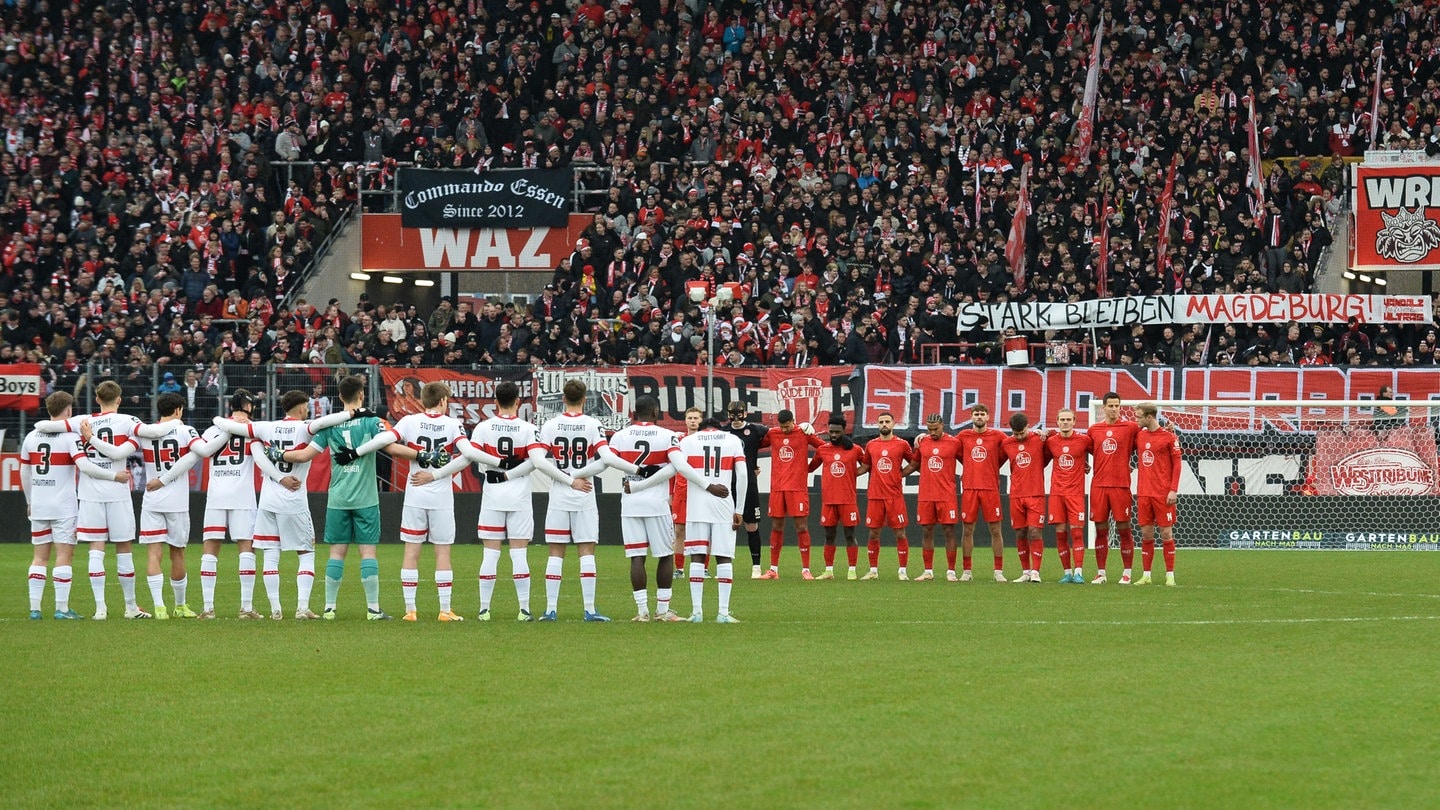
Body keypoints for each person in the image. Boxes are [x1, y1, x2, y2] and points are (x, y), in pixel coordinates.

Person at [274, 374, 403, 620]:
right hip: (366, 498)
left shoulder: (329, 426)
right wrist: (419, 456)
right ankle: (373, 609)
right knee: (368, 552)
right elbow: (391, 444)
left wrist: (278, 454)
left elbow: (303, 456)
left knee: (336, 552)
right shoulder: (371, 421)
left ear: (340, 397)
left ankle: (330, 608)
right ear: (362, 395)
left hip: (338, 498)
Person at [214, 390, 352, 618]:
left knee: (270, 553)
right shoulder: (306, 427)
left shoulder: (266, 427)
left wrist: (219, 419)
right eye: (306, 406)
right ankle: (301, 608)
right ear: (300, 408)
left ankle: (276, 609)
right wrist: (352, 413)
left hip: (268, 500)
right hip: (294, 499)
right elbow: (329, 420)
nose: (307, 410)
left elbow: (230, 427)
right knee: (306, 552)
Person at [147, 390, 263, 619]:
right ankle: (246, 608)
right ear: (249, 407)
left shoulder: (212, 430)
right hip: (242, 496)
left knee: (210, 548)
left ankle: (208, 608)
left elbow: (193, 457)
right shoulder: (253, 429)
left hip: (216, 495)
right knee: (246, 548)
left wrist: (163, 479)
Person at [34, 380, 145, 619]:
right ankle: (130, 607)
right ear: (119, 399)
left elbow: (43, 424)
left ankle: (100, 609)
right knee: (123, 548)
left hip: (90, 493)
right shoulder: (129, 421)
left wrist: (87, 435)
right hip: (117, 493)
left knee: (97, 549)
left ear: (96, 399)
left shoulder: (82, 421)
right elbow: (127, 447)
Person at [469, 380, 578, 621]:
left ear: (495, 402)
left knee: (490, 554)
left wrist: (496, 465)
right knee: (519, 553)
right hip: (519, 497)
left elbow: (471, 452)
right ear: (518, 401)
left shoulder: (483, 427)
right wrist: (511, 470)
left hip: (492, 495)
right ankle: (524, 609)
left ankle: (484, 609)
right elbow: (536, 461)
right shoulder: (527, 429)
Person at [535, 379, 639, 621]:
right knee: (587, 551)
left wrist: (568, 478)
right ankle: (590, 609)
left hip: (559, 494)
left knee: (555, 552)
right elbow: (607, 458)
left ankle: (550, 609)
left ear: (563, 399)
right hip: (584, 494)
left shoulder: (551, 424)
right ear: (584, 400)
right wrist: (583, 474)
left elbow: (539, 461)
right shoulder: (593, 424)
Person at [631, 416, 746, 622]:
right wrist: (740, 509)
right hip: (723, 503)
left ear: (701, 428)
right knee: (723, 556)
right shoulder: (732, 440)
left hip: (696, 506)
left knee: (697, 556)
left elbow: (673, 469)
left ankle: (697, 612)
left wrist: (639, 485)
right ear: (718, 428)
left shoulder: (687, 441)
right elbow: (743, 474)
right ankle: (723, 612)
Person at [107, 393, 207, 619]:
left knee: (154, 553)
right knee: (178, 553)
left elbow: (119, 452)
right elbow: (202, 451)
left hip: (152, 498)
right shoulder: (185, 431)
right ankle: (180, 606)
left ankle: (159, 607)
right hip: (177, 502)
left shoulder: (144, 434)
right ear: (179, 410)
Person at [609, 396, 686, 621]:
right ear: (655, 412)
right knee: (665, 555)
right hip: (656, 503)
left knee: (636, 556)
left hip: (631, 501)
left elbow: (609, 460)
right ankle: (662, 610)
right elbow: (676, 465)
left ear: (634, 412)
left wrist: (636, 471)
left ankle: (641, 611)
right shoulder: (666, 435)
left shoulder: (621, 436)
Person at [21, 392, 86, 619]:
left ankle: (35, 609)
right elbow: (84, 466)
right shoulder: (70, 437)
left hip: (39, 504)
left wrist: (30, 501)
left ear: (49, 409)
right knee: (64, 555)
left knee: (39, 556)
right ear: (68, 410)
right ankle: (62, 608)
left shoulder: (31, 436)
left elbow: (25, 472)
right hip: (64, 506)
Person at [759, 409, 821, 579]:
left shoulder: (803, 432)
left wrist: (810, 468)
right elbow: (754, 444)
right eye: (782, 426)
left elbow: (823, 449)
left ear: (793, 420)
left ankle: (806, 569)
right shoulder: (773, 433)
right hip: (777, 488)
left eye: (787, 426)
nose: (784, 430)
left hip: (797, 488)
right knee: (776, 527)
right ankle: (773, 570)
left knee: (801, 527)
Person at [902, 414, 961, 581]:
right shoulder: (923, 442)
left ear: (943, 425)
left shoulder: (954, 443)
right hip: (926, 495)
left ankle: (951, 571)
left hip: (946, 495)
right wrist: (897, 475)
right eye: (929, 429)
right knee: (927, 531)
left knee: (949, 531)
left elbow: (968, 461)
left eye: (935, 429)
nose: (932, 432)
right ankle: (928, 571)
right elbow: (914, 464)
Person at [809, 415, 869, 580]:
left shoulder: (855, 449)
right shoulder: (823, 450)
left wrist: (854, 474)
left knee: (850, 535)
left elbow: (867, 463)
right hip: (828, 501)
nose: (833, 435)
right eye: (831, 431)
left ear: (844, 431)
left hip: (848, 500)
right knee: (829, 536)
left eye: (837, 432)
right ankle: (829, 570)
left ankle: (852, 570)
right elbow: (810, 468)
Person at [1090, 392, 1141, 584]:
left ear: (1120, 407)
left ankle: (1127, 572)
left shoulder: (1130, 428)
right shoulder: (1094, 430)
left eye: (1116, 406)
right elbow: (1083, 449)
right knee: (1100, 529)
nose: (1113, 409)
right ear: (1103, 408)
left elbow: (1146, 440)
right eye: (1110, 406)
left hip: (1120, 486)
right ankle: (1101, 573)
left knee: (1124, 529)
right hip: (1099, 486)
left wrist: (1168, 429)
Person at [956, 403, 1008, 581]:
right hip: (970, 488)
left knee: (995, 529)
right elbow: (948, 446)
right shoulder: (963, 436)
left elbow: (1014, 445)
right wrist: (923, 436)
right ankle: (967, 571)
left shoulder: (998, 435)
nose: (979, 417)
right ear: (971, 417)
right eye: (976, 414)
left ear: (988, 417)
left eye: (982, 414)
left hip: (990, 488)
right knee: (968, 529)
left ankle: (998, 571)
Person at [1133, 403, 1181, 586]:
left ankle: (1170, 575)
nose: (1136, 420)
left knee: (1166, 534)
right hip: (1144, 493)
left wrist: (1173, 489)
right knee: (1146, 534)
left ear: (1149, 417)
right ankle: (1146, 575)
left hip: (1163, 493)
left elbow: (1177, 464)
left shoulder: (1169, 437)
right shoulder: (1139, 435)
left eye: (1139, 417)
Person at [862, 411, 913, 580]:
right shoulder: (871, 445)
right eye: (881, 422)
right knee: (873, 534)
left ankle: (902, 571)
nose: (884, 424)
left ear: (893, 424)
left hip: (894, 496)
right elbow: (865, 466)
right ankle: (873, 571)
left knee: (900, 534)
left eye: (887, 421)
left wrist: (901, 474)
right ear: (877, 425)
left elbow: (914, 462)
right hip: (875, 496)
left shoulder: (902, 444)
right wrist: (848, 474)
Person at [1044, 408, 1093, 584]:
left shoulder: (1083, 440)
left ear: (1074, 421)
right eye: (1062, 419)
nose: (1065, 422)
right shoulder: (1051, 441)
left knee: (1077, 533)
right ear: (1057, 422)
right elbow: (1039, 460)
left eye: (1068, 419)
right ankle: (1067, 572)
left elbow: (1102, 453)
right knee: (1060, 533)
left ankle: (1078, 572)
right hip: (1057, 493)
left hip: (1075, 494)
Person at [722, 400, 769, 577]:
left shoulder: (756, 430)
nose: (735, 418)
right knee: (726, 525)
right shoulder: (723, 432)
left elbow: (778, 434)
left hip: (749, 483)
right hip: (726, 484)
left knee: (751, 525)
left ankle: (756, 566)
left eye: (738, 414)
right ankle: (725, 566)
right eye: (731, 414)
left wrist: (800, 426)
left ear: (745, 413)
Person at [1001, 412, 1049, 583]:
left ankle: (1036, 571)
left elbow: (1059, 434)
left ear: (1029, 426)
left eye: (1022, 433)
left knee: (1035, 532)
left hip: (1036, 494)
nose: (1019, 436)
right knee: (1020, 532)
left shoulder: (1039, 439)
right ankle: (1026, 571)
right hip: (1016, 495)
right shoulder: (1006, 443)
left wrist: (1046, 431)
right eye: (1016, 434)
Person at [671, 407, 703, 576]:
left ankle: (703, 568)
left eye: (696, 418)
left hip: (701, 490)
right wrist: (671, 492)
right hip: (682, 491)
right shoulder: (678, 440)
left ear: (701, 420)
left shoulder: (706, 441)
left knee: (702, 528)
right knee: (679, 530)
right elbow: (671, 468)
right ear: (685, 420)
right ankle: (679, 568)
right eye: (690, 417)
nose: (693, 420)